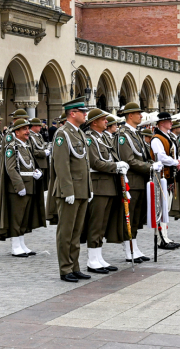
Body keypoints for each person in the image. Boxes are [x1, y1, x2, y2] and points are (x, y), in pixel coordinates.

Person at [48, 98, 92, 282]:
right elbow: (61, 165)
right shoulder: (62, 134)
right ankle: (65, 268)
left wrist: (89, 189)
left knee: (76, 232)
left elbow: (84, 163)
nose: (85, 114)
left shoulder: (79, 133)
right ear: (72, 113)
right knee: (66, 232)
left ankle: (75, 266)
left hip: (81, 189)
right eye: (82, 111)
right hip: (70, 191)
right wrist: (68, 191)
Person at [82, 109, 130, 273]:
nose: (106, 122)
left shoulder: (103, 138)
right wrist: (115, 166)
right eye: (103, 120)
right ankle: (92, 259)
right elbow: (95, 162)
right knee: (96, 223)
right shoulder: (89, 139)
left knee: (102, 224)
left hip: (109, 185)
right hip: (98, 186)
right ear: (94, 122)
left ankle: (99, 256)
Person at [0, 118, 46, 256]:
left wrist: (37, 172)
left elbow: (30, 164)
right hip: (18, 188)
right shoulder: (12, 147)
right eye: (24, 129)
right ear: (16, 132)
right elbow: (10, 168)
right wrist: (19, 186)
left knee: (24, 218)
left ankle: (22, 243)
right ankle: (15, 245)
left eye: (28, 129)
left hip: (30, 185)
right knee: (17, 218)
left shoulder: (26, 146)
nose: (27, 131)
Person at [114, 102, 155, 263]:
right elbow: (129, 160)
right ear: (130, 115)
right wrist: (150, 168)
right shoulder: (123, 135)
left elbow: (144, 155)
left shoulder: (136, 133)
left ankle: (135, 247)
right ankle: (128, 249)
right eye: (138, 113)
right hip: (132, 182)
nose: (141, 115)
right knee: (129, 217)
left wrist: (152, 164)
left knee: (137, 217)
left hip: (141, 181)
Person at [150, 112, 180, 250]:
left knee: (166, 207)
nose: (171, 123)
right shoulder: (157, 139)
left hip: (169, 176)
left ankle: (165, 235)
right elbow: (161, 157)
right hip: (161, 176)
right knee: (161, 208)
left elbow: (172, 152)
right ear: (162, 123)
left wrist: (178, 159)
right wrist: (175, 162)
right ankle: (161, 238)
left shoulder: (167, 137)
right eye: (169, 121)